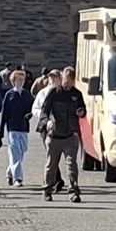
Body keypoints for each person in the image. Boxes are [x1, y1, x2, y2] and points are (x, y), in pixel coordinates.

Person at [38, 66, 86, 203]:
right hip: (54, 136)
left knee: (72, 165)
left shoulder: (77, 94)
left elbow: (83, 110)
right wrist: (46, 122)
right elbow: (44, 111)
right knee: (51, 166)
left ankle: (74, 192)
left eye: (70, 81)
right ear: (61, 79)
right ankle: (47, 190)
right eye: (65, 80)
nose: (67, 83)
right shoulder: (54, 93)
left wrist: (81, 112)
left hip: (70, 135)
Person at [0, 68, 34, 187]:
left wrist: (30, 115)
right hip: (12, 127)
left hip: (23, 127)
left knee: (22, 151)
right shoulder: (9, 95)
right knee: (15, 153)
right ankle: (17, 178)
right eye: (19, 80)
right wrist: (1, 130)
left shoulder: (26, 94)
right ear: (13, 81)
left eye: (23, 80)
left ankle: (9, 172)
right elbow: (4, 113)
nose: (21, 82)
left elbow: (32, 108)